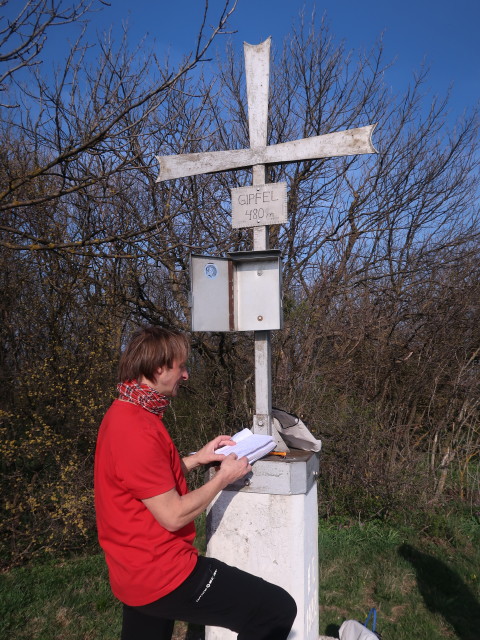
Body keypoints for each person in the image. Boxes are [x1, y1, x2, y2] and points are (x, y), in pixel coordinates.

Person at [94, 325, 297, 640]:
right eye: (181, 366)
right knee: (275, 609)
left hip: (132, 571)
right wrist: (225, 477)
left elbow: (145, 483)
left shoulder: (125, 412)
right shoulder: (136, 430)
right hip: (162, 572)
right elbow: (172, 514)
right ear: (159, 368)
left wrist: (198, 459)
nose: (186, 375)